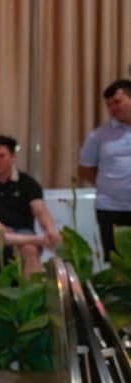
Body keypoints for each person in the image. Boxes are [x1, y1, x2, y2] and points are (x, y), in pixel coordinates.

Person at [0, 135, 60, 276]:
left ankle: (31, 289)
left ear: (13, 157)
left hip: (22, 232)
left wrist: (50, 229)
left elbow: (40, 211)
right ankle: (37, 240)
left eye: (1, 156)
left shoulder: (28, 183)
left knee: (30, 250)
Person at [79, 79, 131, 259]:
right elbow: (85, 168)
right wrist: (109, 185)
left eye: (117, 102)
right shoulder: (98, 135)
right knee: (116, 262)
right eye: (109, 105)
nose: (113, 108)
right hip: (110, 208)